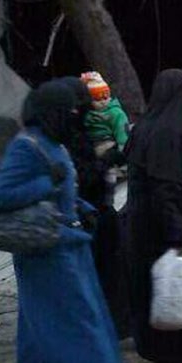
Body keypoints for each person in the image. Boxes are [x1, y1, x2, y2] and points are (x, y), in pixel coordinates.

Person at [0, 79, 131, 363]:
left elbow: (62, 185)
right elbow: (3, 195)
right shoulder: (27, 145)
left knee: (42, 325)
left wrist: (80, 204)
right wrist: (48, 183)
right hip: (46, 250)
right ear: (51, 112)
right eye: (70, 110)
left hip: (65, 243)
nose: (76, 115)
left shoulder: (53, 143)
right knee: (77, 320)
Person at [125, 69, 182, 363]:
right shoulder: (172, 135)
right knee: (178, 288)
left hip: (142, 226)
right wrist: (180, 235)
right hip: (167, 227)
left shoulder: (143, 128)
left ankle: (158, 351)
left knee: (154, 289)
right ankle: (181, 355)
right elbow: (166, 190)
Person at [71, 75, 131, 340]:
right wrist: (106, 162)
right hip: (89, 213)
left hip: (99, 210)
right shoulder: (74, 133)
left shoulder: (97, 121)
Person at [81, 71, 130, 157]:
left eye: (106, 96)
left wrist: (122, 151)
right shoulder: (84, 113)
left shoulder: (116, 113)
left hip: (110, 148)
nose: (103, 102)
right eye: (97, 99)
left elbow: (123, 135)